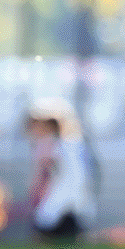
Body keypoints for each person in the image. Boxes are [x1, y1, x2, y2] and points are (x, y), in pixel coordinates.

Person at [26, 100, 96, 241]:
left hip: (67, 209)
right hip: (61, 206)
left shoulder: (67, 147)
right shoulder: (63, 146)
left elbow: (78, 179)